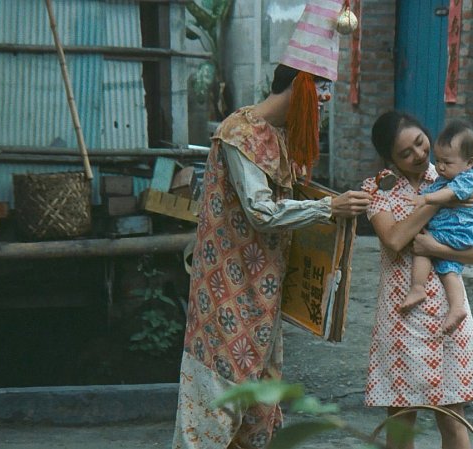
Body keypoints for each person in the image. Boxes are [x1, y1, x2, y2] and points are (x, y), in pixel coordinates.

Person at [172, 3, 370, 449]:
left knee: (259, 401)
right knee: (217, 396)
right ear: (299, 84)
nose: (325, 98)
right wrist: (328, 208)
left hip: (263, 286)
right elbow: (262, 212)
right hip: (227, 287)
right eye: (321, 87)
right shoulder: (240, 132)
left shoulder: (280, 137)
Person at [363, 111, 473, 449]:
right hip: (402, 314)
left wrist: (435, 247)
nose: (419, 155)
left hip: (449, 310)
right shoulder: (379, 190)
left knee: (452, 417)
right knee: (401, 417)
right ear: (390, 159)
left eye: (421, 143)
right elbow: (394, 240)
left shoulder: (454, 172)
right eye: (405, 153)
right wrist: (437, 201)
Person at [403, 119, 473, 337]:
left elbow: (449, 194)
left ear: (469, 162)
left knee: (423, 248)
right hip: (450, 231)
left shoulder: (468, 178)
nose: (440, 167)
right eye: (438, 160)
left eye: (447, 162)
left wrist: (426, 199)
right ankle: (456, 307)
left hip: (458, 230)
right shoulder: (446, 176)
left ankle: (417, 287)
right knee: (449, 269)